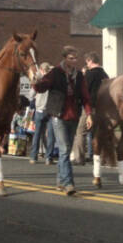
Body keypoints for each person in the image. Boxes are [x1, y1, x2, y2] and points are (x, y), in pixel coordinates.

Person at [33, 46, 93, 196]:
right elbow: (42, 87)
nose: (74, 61)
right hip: (58, 115)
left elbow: (85, 97)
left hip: (74, 115)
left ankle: (60, 180)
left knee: (65, 150)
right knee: (65, 149)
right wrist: (35, 81)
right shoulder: (55, 73)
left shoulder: (79, 75)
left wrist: (89, 114)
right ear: (65, 58)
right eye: (71, 58)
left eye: (76, 58)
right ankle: (68, 183)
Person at [82, 51, 109, 160]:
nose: (87, 65)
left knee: (86, 130)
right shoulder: (104, 74)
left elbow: (85, 89)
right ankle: (99, 153)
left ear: (90, 60)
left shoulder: (90, 74)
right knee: (98, 130)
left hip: (91, 104)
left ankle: (89, 153)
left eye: (87, 62)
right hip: (103, 106)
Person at [29, 62, 56, 164]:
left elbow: (31, 95)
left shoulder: (39, 80)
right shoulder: (52, 79)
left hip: (40, 109)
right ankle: (49, 157)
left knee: (37, 134)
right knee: (50, 135)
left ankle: (33, 157)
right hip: (50, 110)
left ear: (41, 69)